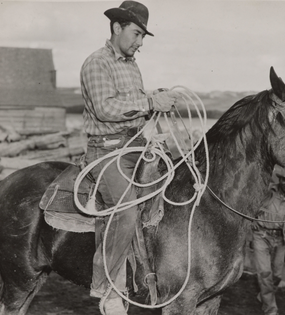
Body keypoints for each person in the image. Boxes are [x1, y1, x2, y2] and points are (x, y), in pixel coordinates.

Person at [79, 1, 179, 314]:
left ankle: (153, 273)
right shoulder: (97, 63)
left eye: (143, 37)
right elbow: (106, 108)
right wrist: (150, 101)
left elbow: (133, 104)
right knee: (124, 212)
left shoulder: (130, 64)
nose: (139, 42)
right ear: (117, 27)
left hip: (135, 145)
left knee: (172, 193)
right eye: (136, 34)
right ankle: (107, 289)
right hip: (107, 151)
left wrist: (156, 100)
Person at [252, 166, 285, 315]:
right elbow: (250, 202)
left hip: (281, 238)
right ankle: (271, 309)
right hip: (261, 235)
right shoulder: (267, 191)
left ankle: (264, 294)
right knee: (265, 273)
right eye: (284, 179)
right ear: (279, 179)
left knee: (277, 273)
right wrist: (252, 220)